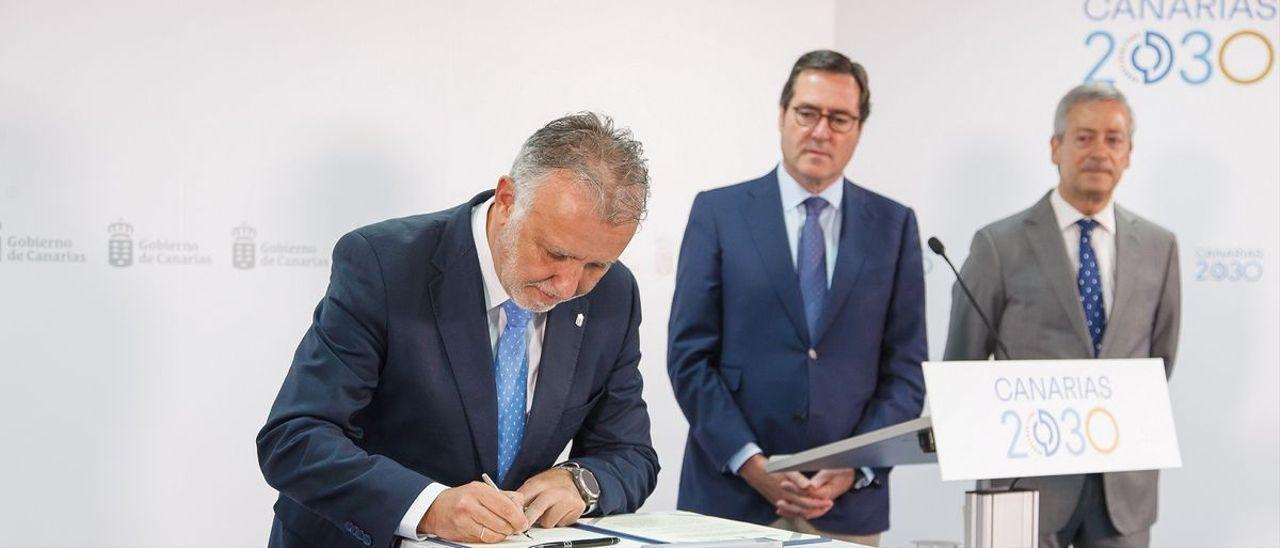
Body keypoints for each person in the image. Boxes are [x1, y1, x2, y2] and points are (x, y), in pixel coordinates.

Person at [257, 112, 659, 547]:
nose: (568, 286)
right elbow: (296, 439)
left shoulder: (614, 295)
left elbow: (630, 454)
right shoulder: (384, 264)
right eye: (553, 253)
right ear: (508, 200)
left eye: (596, 265)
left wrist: (583, 482)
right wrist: (428, 506)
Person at [667, 50, 927, 546]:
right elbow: (689, 358)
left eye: (840, 118)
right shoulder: (719, 213)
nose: (821, 131)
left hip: (847, 508)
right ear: (782, 115)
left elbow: (906, 369)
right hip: (729, 502)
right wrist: (750, 462)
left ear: (858, 129)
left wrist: (855, 465)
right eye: (807, 113)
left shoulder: (894, 226)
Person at [943, 82, 1181, 548]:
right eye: (1083, 137)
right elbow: (962, 368)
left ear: (1129, 153)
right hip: (1024, 488)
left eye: (1113, 140)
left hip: (1123, 492)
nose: (1099, 152)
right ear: (1056, 148)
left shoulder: (1160, 246)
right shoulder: (998, 244)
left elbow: (1160, 360)